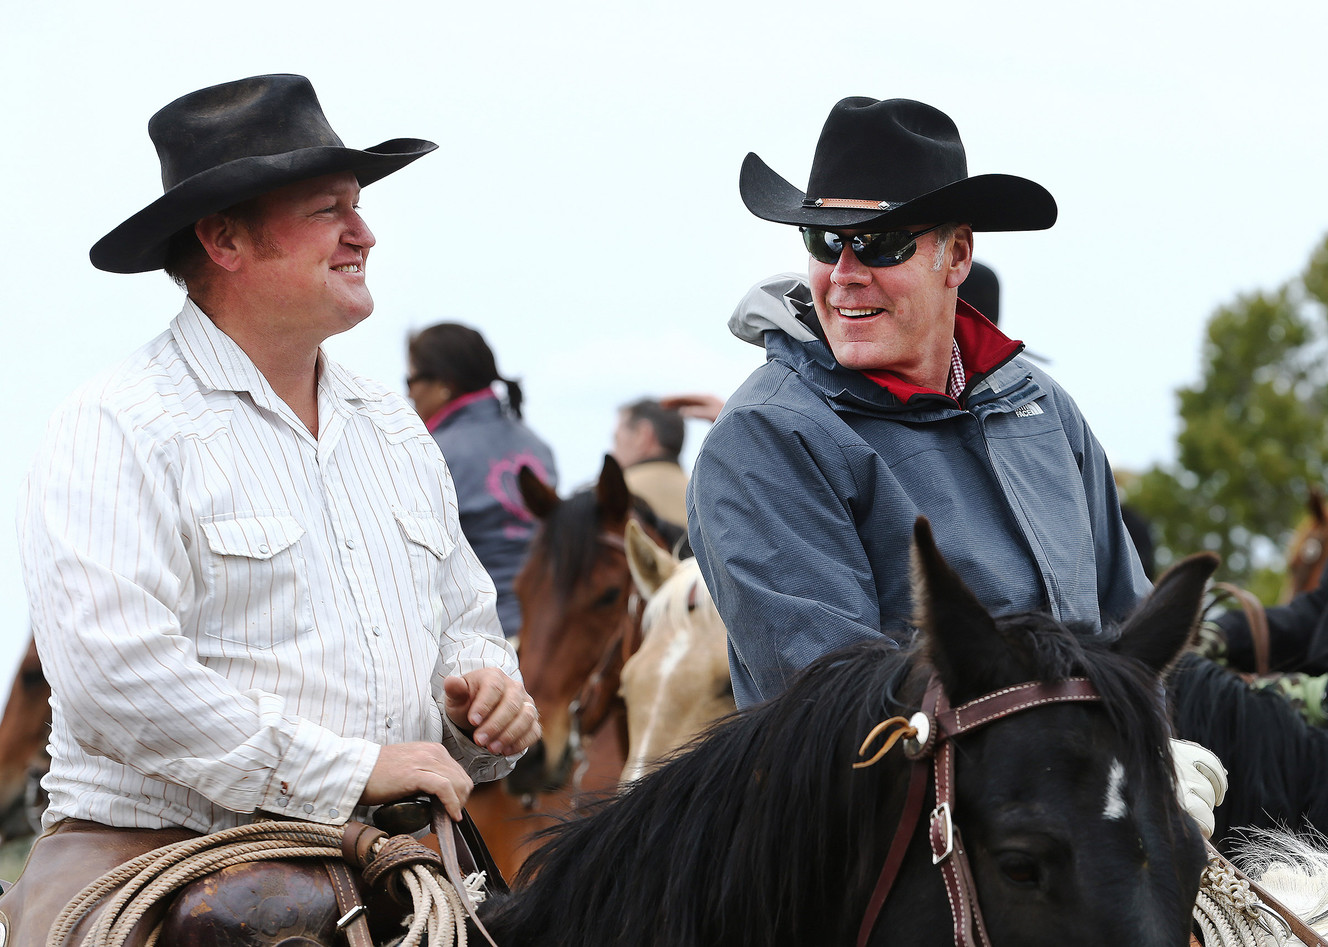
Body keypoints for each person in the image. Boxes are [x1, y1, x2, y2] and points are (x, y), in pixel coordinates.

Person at [3, 74, 539, 942]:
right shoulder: (117, 423)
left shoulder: (393, 429)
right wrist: (355, 768)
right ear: (223, 238)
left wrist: (489, 698)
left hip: (392, 863)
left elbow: (466, 621)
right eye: (330, 208)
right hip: (159, 859)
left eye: (357, 206)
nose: (364, 232)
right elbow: (118, 680)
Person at [686, 97, 1224, 832]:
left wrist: (1155, 744)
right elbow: (845, 710)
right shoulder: (765, 437)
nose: (845, 272)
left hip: (1072, 826)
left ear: (958, 256)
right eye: (823, 239)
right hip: (884, 851)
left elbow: (1128, 625)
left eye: (880, 245)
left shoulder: (1042, 406)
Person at [406, 322, 558, 638]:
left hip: (477, 637)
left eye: (411, 379)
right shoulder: (538, 446)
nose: (408, 393)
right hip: (549, 630)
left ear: (442, 383)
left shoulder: (429, 452)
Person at [611, 398, 689, 527]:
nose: (613, 451)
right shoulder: (704, 495)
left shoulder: (615, 494)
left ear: (642, 435)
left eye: (616, 439)